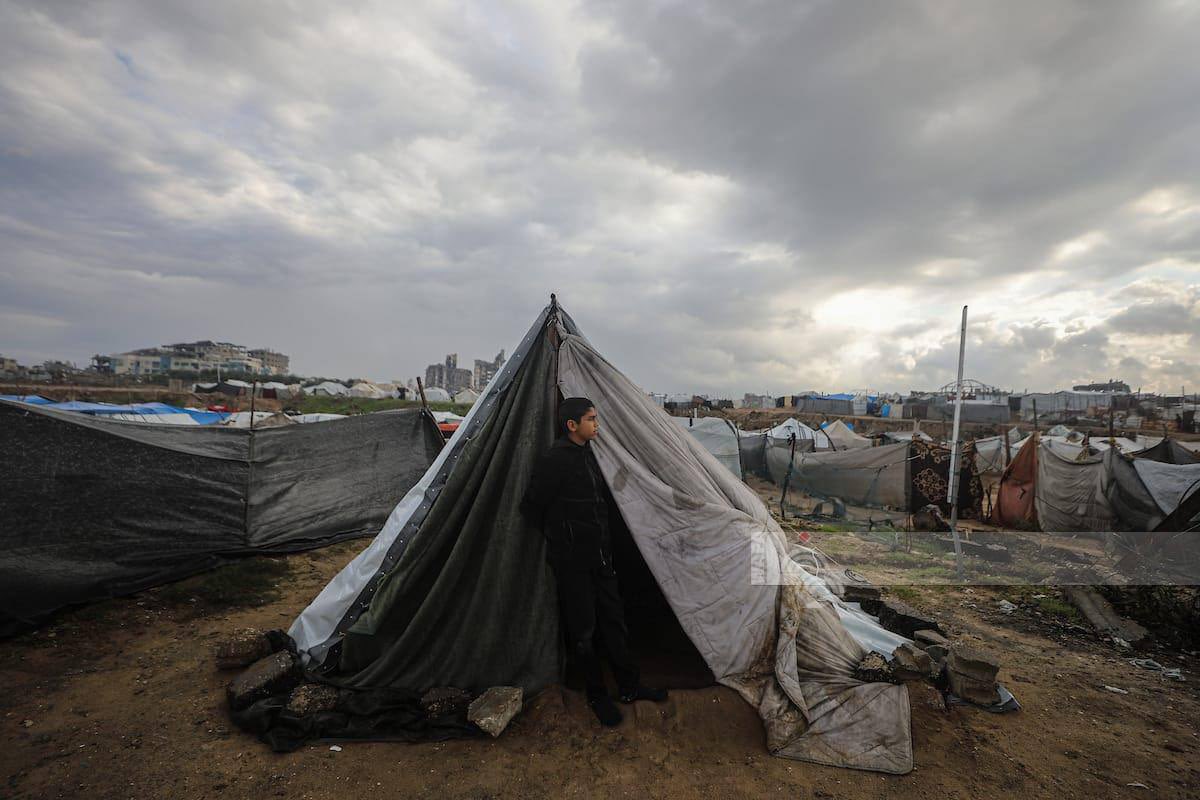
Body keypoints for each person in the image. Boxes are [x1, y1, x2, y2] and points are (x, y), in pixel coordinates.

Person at [520, 396, 668, 726]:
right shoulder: (555, 459)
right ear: (572, 425)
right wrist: (564, 538)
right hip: (573, 563)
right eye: (591, 419)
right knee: (583, 630)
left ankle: (629, 686)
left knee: (614, 622)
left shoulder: (589, 454)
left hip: (601, 558)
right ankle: (597, 695)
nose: (597, 424)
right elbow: (532, 506)